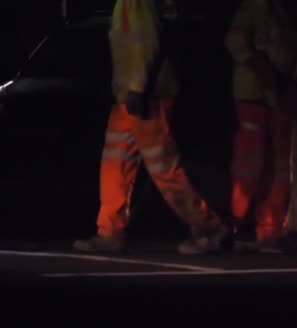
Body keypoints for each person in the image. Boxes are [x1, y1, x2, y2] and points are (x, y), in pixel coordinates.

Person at [74, 0, 229, 254]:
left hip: (144, 96)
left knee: (163, 168)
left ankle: (209, 228)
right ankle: (110, 232)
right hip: (131, 96)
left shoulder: (135, 3)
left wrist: (137, 88)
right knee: (115, 164)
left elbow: (145, 44)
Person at [225, 0, 297, 251]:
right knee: (255, 165)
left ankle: (286, 229)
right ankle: (241, 225)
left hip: (290, 98)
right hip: (257, 96)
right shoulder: (258, 7)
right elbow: (235, 42)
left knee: (288, 164)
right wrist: (264, 71)